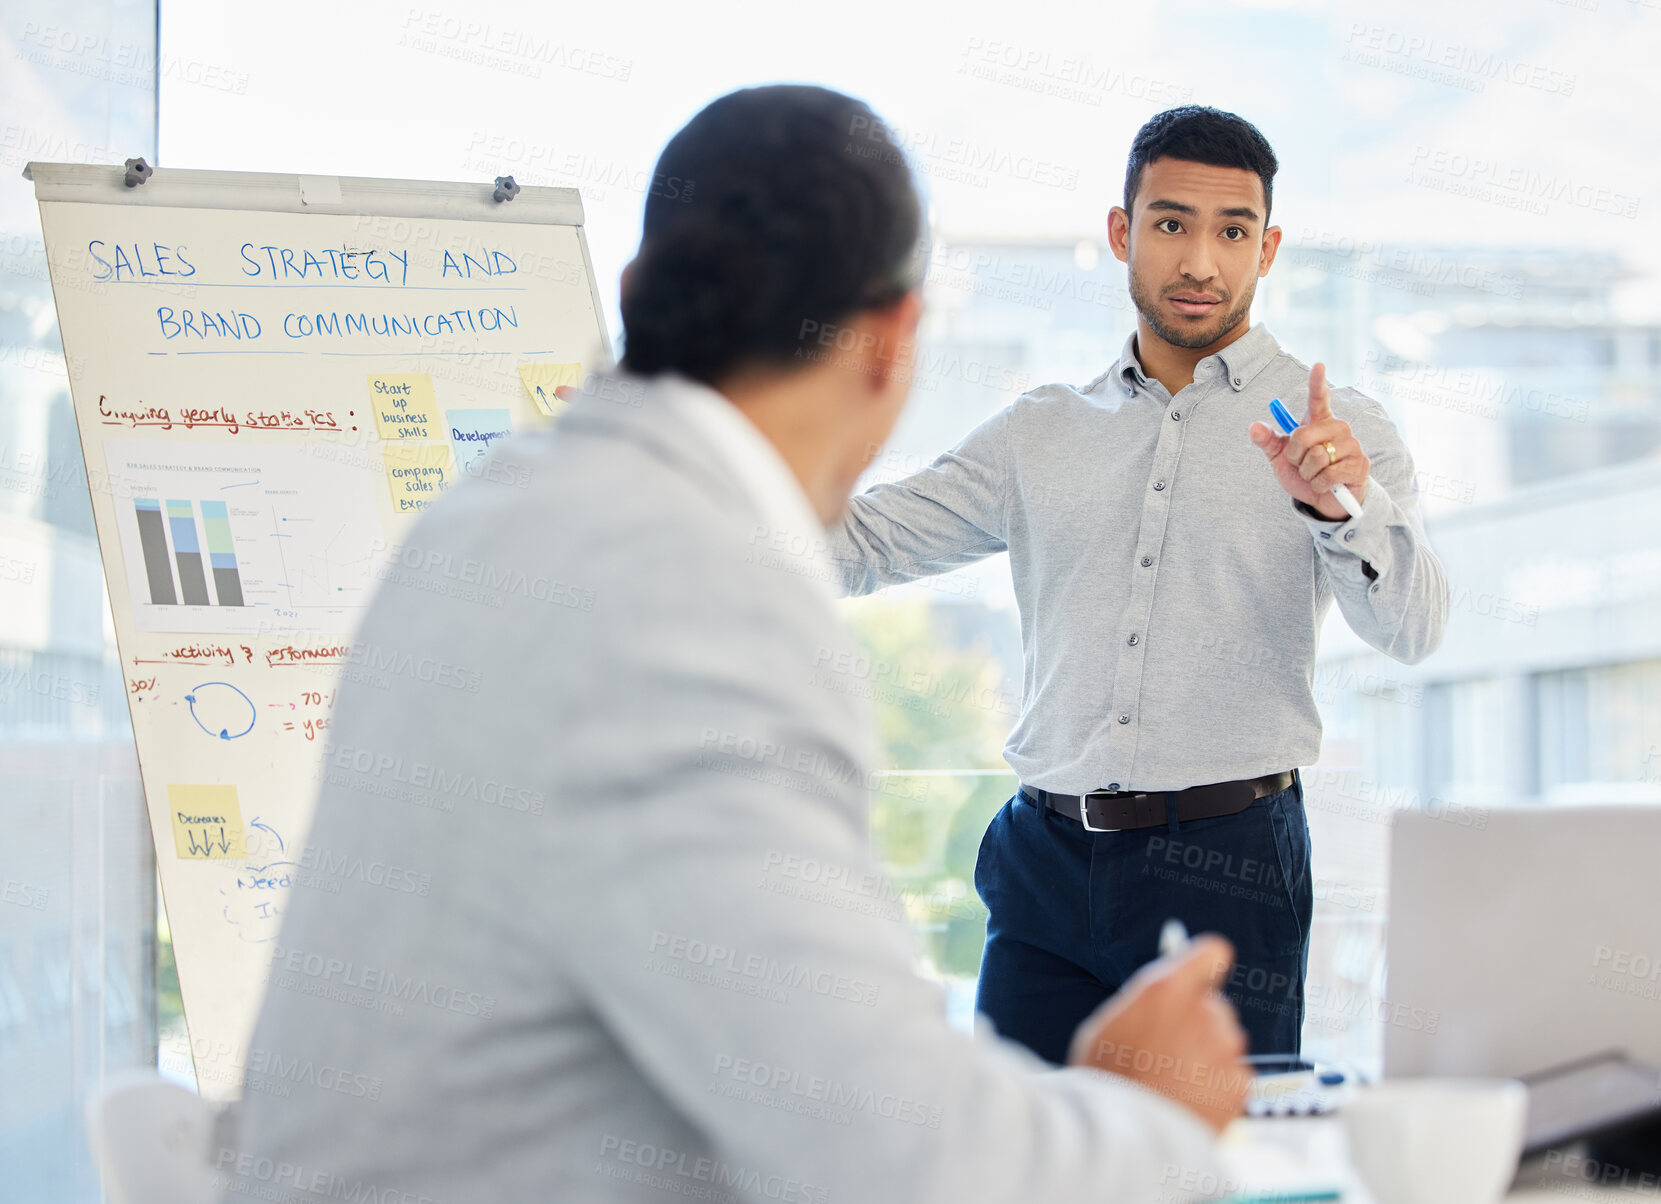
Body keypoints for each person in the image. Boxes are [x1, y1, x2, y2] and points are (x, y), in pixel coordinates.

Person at [215, 86, 1251, 1204]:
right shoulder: (688, 589)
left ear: (636, 295)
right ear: (892, 340)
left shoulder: (489, 519)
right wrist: (1148, 1116)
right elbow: (894, 1158)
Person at [828, 105, 1448, 1066]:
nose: (1200, 259)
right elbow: (856, 544)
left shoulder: (1340, 432)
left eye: (1231, 230)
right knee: (1021, 1163)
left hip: (1229, 861)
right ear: (1122, 234)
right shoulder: (1039, 431)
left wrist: (1341, 507)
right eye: (1170, 224)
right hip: (1043, 855)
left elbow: (1413, 629)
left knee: (1217, 1165)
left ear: (1266, 248)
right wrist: (689, 455)